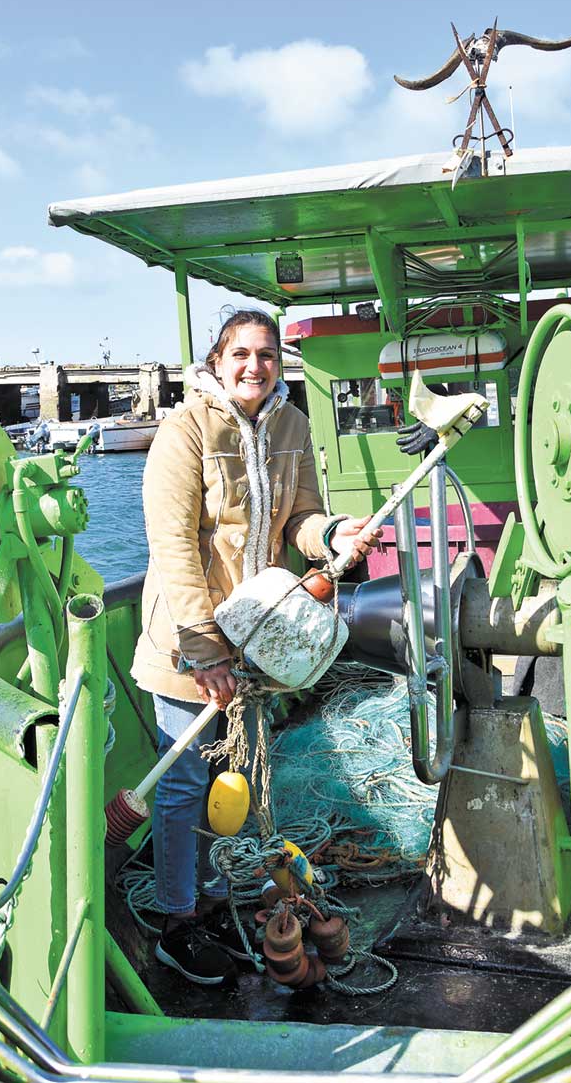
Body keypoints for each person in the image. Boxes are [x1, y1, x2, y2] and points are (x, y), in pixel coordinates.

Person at [131, 309, 381, 986]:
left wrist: (332, 535)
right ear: (218, 359)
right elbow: (174, 546)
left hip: (255, 644)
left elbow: (299, 518)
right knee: (183, 786)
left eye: (266, 354)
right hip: (189, 644)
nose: (254, 366)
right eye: (240, 353)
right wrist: (205, 649)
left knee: (227, 786)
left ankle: (214, 903)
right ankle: (176, 925)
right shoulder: (184, 430)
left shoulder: (292, 425)